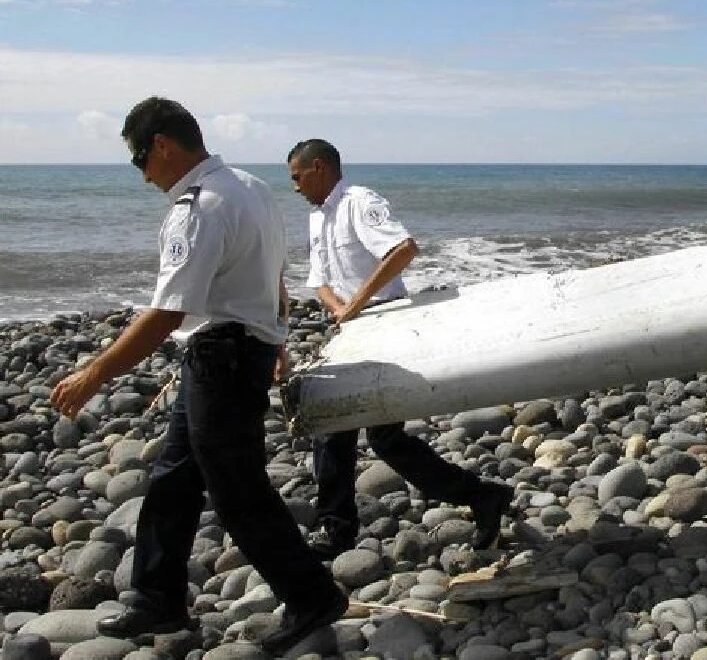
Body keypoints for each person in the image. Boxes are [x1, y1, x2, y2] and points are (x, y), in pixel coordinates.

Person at [50, 98, 347, 655]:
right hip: (231, 352)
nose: (143, 176)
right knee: (173, 477)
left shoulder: (201, 205)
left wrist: (94, 373)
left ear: (162, 145)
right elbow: (271, 270)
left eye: (140, 160)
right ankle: (156, 596)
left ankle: (311, 594)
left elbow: (167, 313)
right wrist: (274, 335)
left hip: (223, 359)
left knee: (237, 490)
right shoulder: (250, 188)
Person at [286, 138, 514, 557]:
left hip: (386, 321)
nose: (295, 187)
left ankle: (336, 528)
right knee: (364, 433)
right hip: (351, 328)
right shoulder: (318, 217)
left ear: (318, 167)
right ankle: (480, 497)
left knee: (355, 428)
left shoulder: (358, 202)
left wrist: (356, 304)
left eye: (298, 177)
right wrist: (340, 309)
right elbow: (319, 277)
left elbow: (403, 249)